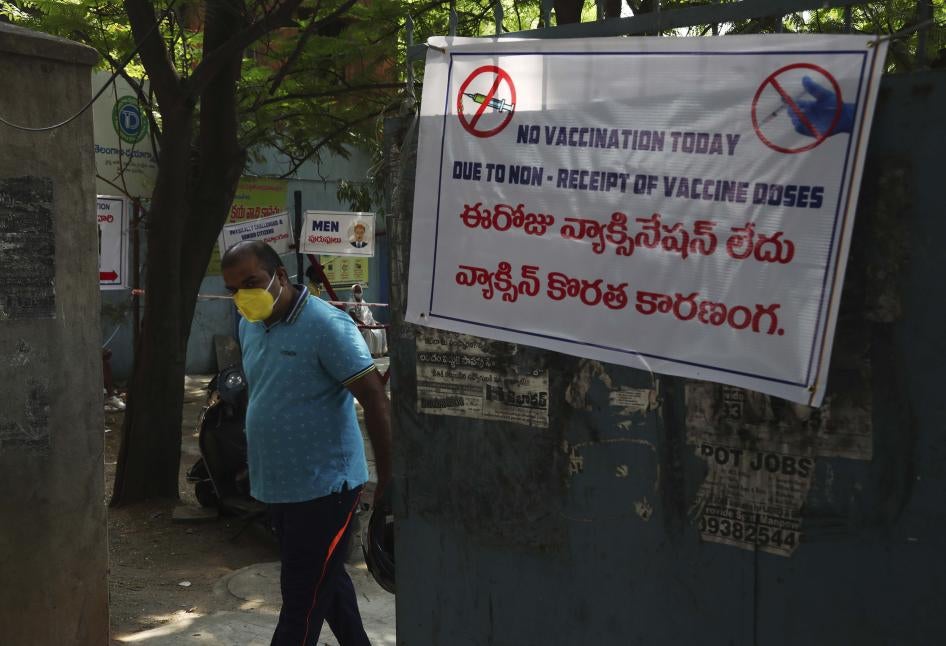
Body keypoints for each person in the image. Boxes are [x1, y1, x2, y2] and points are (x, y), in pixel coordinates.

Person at [221, 241, 392, 646]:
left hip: (326, 488)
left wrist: (387, 479)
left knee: (301, 602)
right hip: (279, 486)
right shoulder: (249, 324)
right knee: (325, 585)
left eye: (252, 282)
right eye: (234, 289)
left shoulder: (327, 326)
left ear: (280, 276)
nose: (243, 296)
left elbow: (374, 399)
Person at [347, 283, 387, 358]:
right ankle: (370, 353)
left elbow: (368, 314)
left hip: (368, 323)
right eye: (356, 292)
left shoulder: (363, 302)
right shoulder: (351, 301)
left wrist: (375, 322)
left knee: (382, 329)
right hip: (357, 325)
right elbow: (352, 314)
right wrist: (361, 323)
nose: (358, 293)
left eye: (359, 291)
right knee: (368, 331)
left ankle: (382, 351)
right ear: (353, 292)